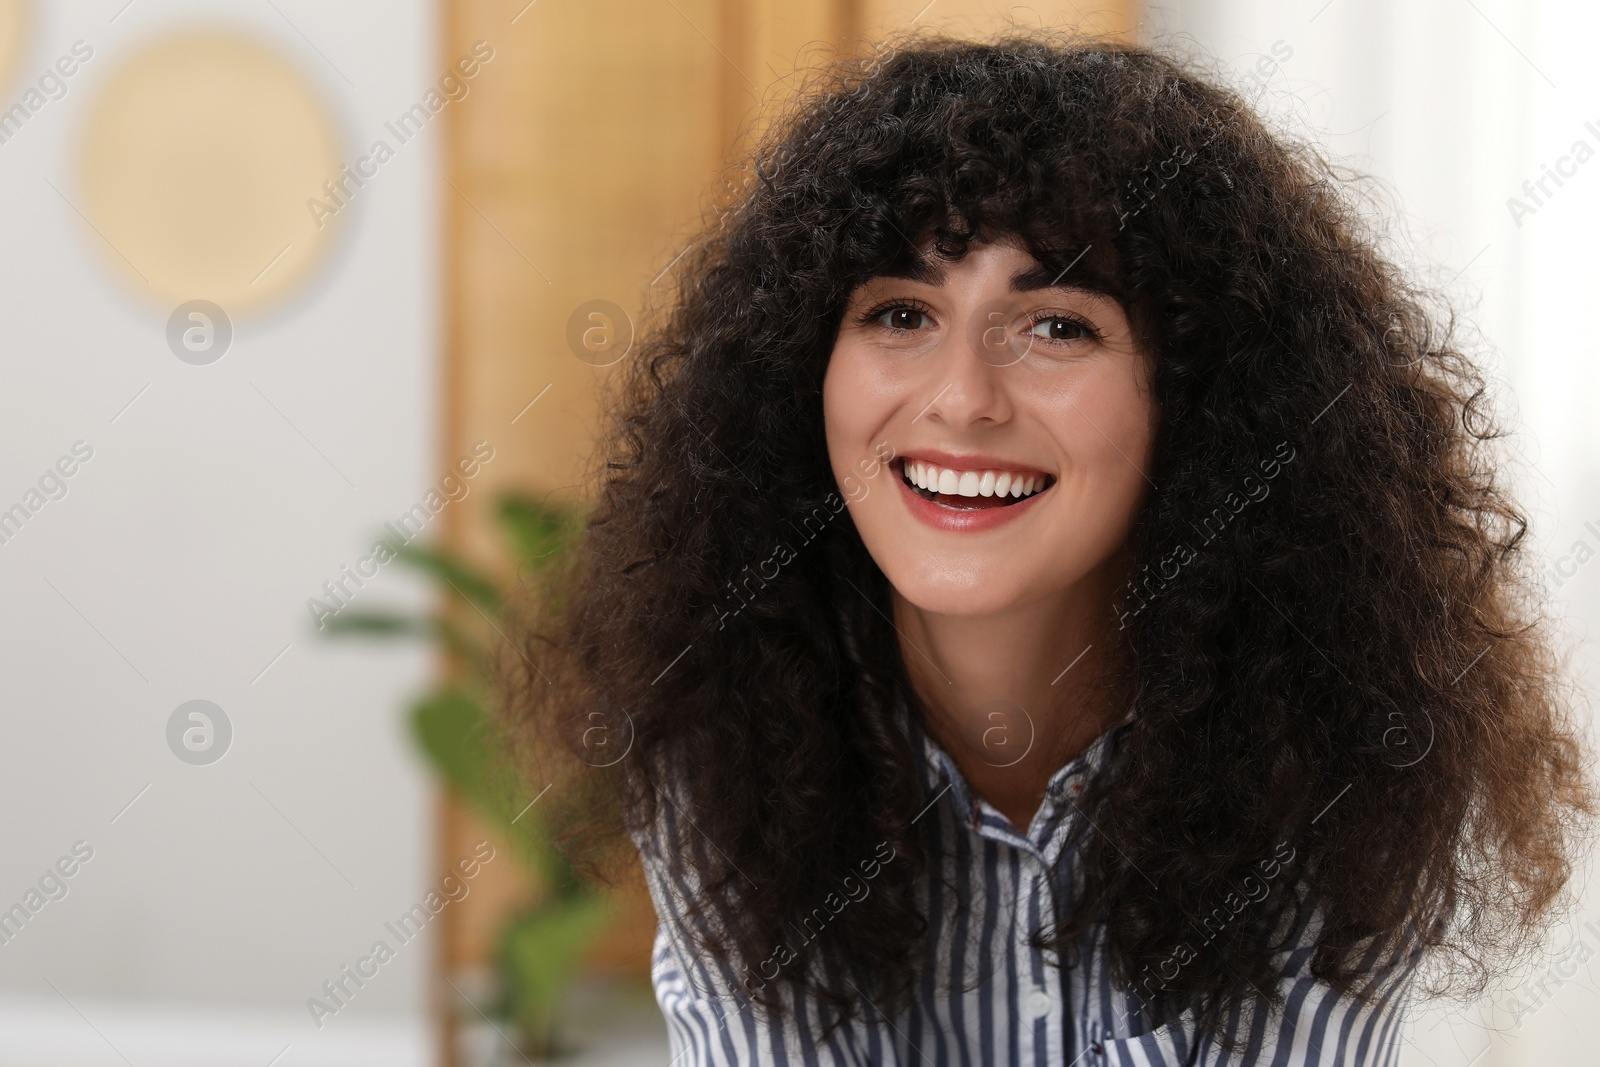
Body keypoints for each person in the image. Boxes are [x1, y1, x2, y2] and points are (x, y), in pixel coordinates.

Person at [501, 33, 1594, 1065]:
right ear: (801, 374)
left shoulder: (1349, 738)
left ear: (1205, 403)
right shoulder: (721, 732)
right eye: (899, 313)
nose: (962, 398)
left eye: (1057, 324)